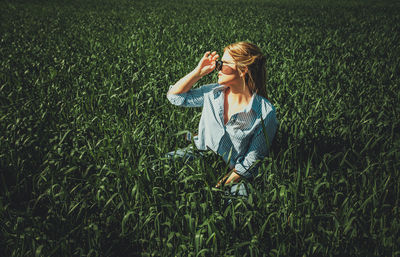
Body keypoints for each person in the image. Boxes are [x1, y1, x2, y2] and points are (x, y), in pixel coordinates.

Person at [166, 41, 278, 197]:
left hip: (237, 171)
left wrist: (222, 184)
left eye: (223, 65)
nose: (217, 69)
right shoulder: (213, 93)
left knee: (238, 207)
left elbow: (252, 160)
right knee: (159, 166)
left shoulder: (265, 112)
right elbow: (175, 97)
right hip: (199, 153)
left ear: (243, 70)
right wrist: (198, 72)